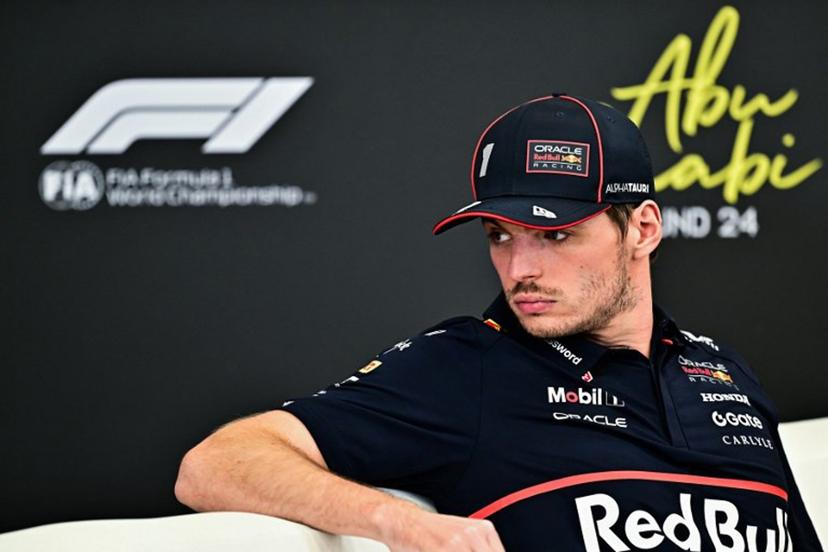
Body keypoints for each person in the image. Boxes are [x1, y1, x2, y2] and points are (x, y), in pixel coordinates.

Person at [174, 94, 823, 551]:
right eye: (499, 235)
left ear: (643, 229)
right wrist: (398, 522)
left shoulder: (723, 373)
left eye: (555, 235)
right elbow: (217, 464)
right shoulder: (468, 365)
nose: (520, 268)